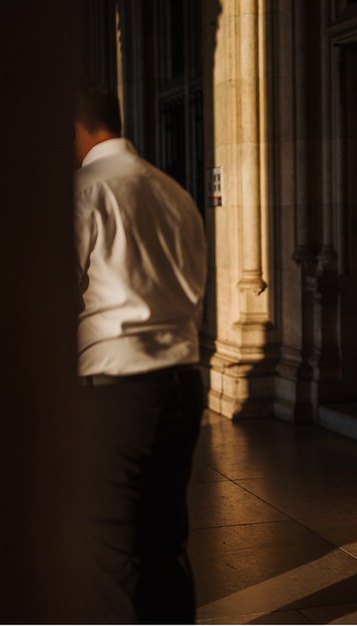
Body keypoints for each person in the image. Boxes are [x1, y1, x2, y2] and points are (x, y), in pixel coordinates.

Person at [73, 85, 207, 623]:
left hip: (116, 391)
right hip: (182, 385)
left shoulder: (84, 193)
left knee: (112, 554)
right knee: (165, 543)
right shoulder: (174, 193)